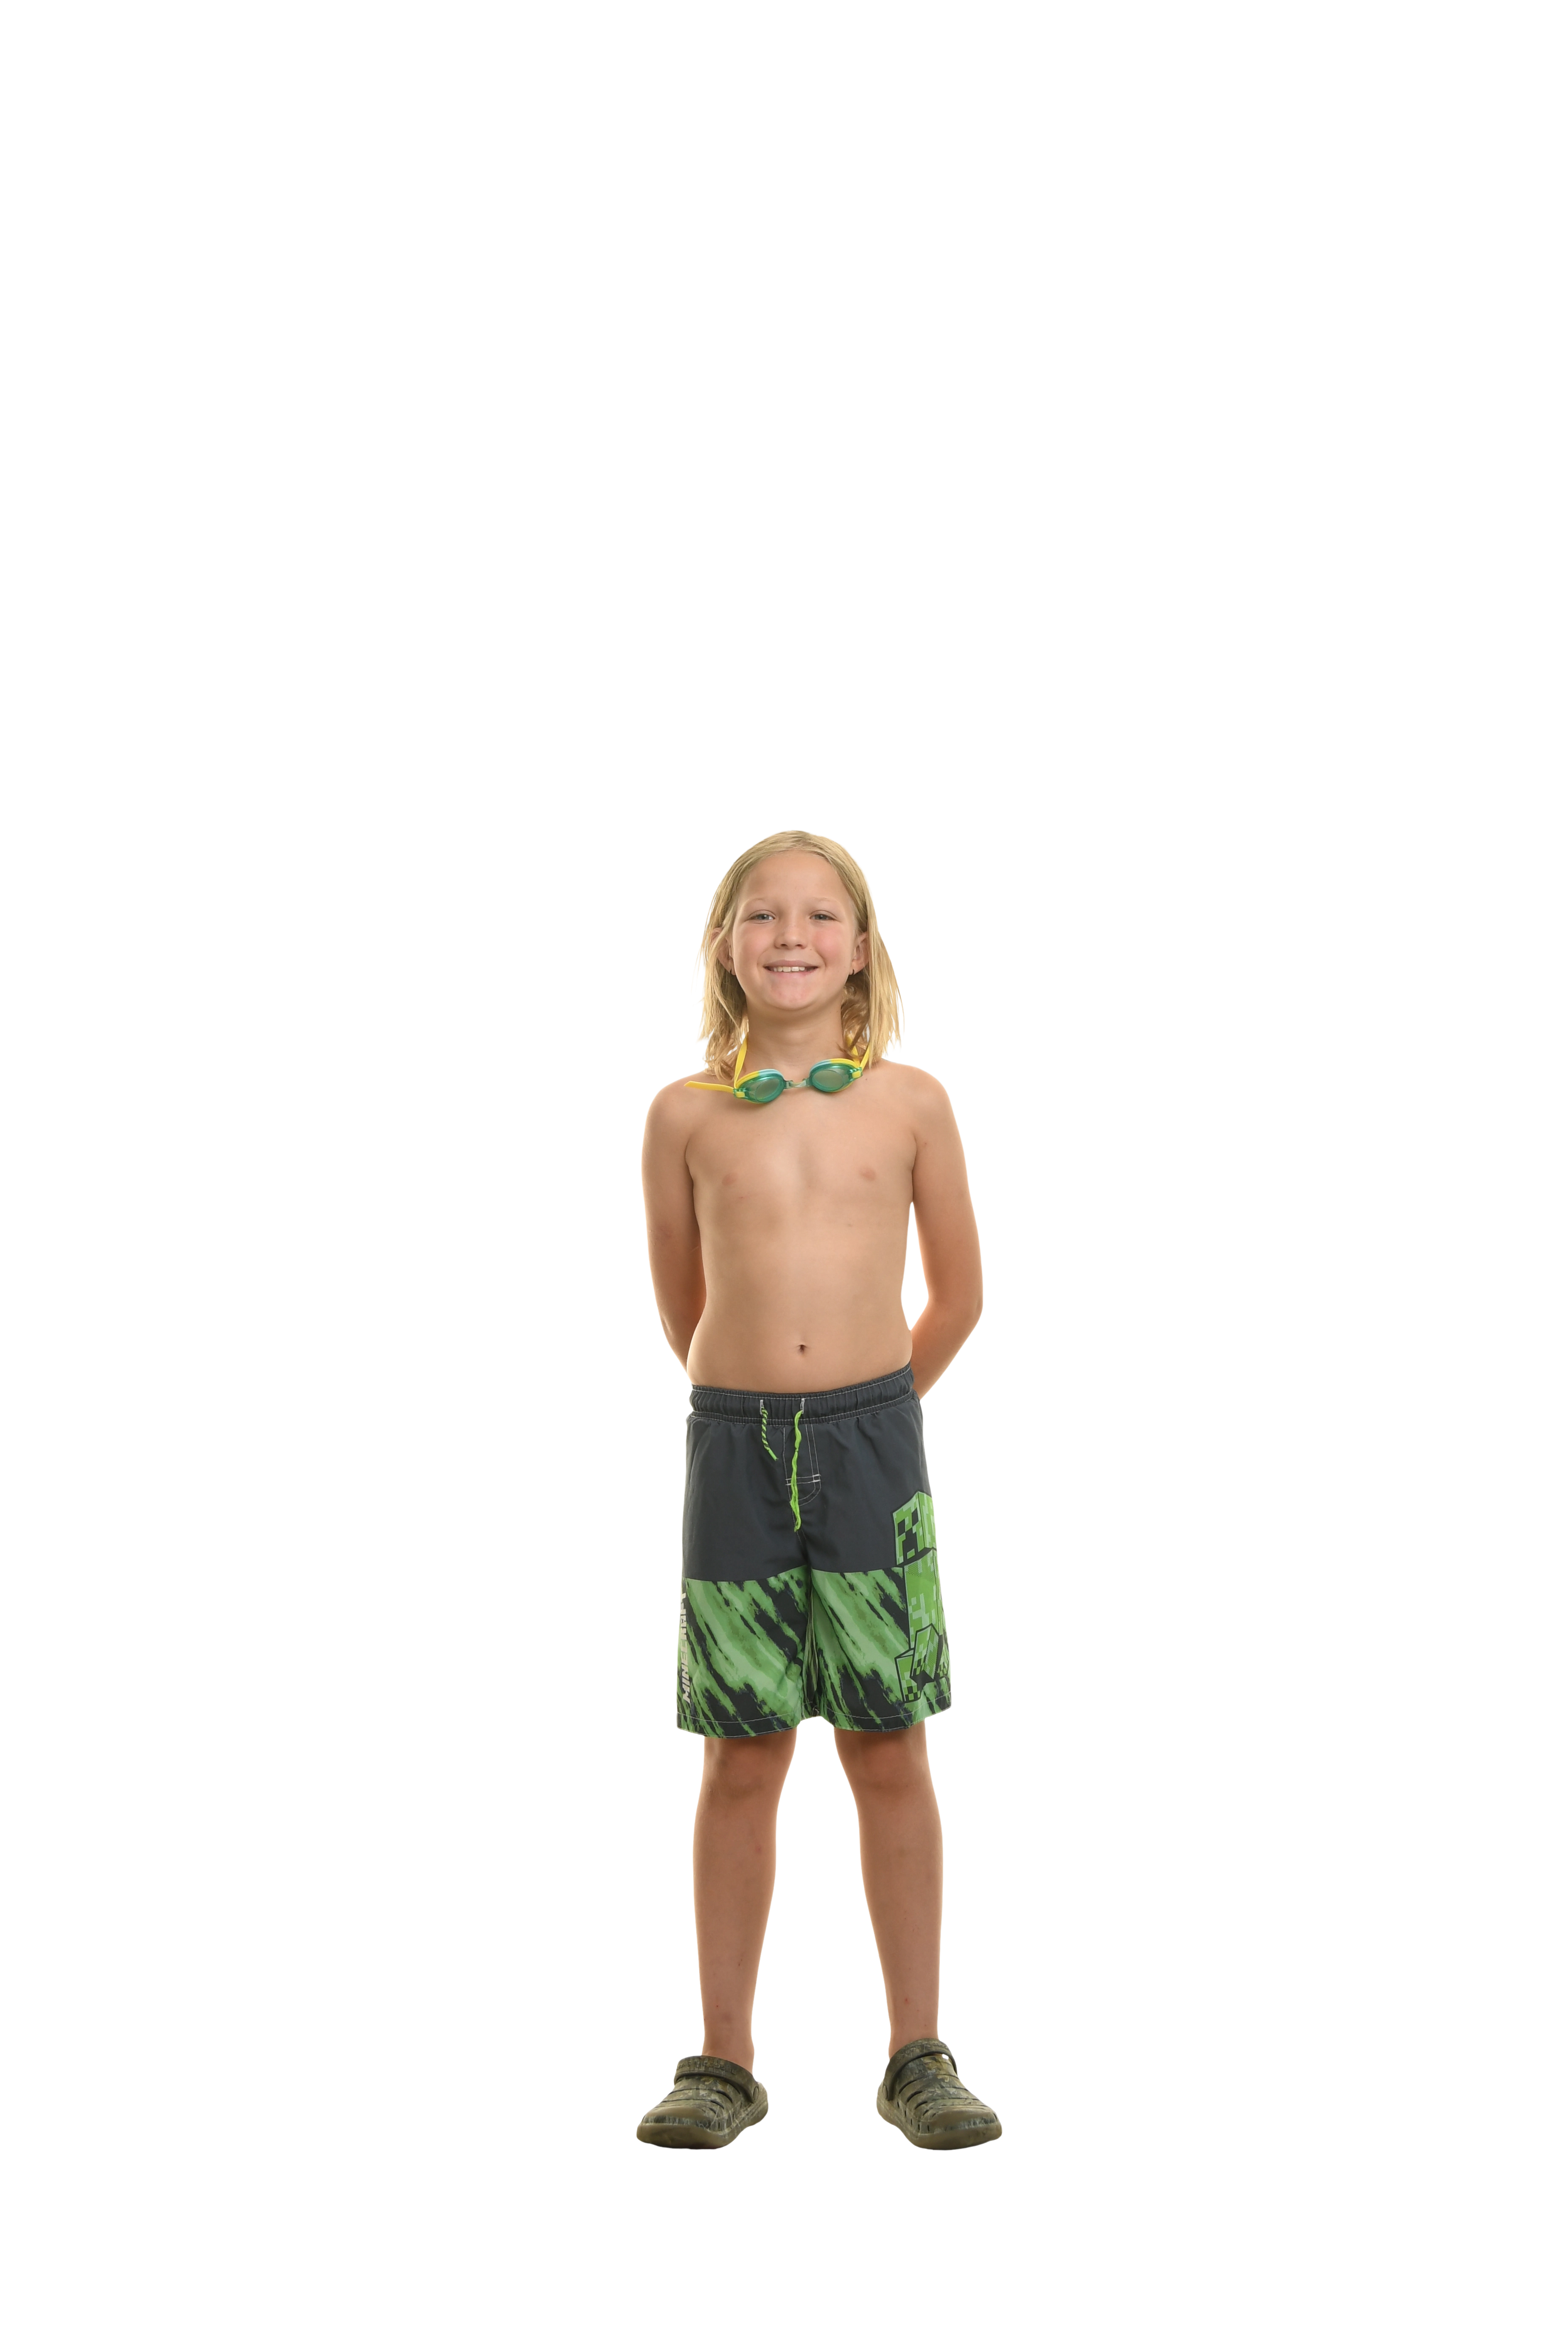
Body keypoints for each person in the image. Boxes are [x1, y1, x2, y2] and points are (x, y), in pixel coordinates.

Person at [635, 828, 1000, 2152]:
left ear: (864, 948)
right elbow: (683, 1302)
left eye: (822, 915)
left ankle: (917, 2052)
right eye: (762, 914)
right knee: (742, 1752)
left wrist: (872, 1410)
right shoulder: (684, 1116)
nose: (792, 935)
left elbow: (958, 1295)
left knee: (887, 1742)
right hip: (734, 1448)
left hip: (871, 1445)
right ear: (723, 945)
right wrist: (756, 1399)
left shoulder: (911, 1105)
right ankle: (725, 2060)